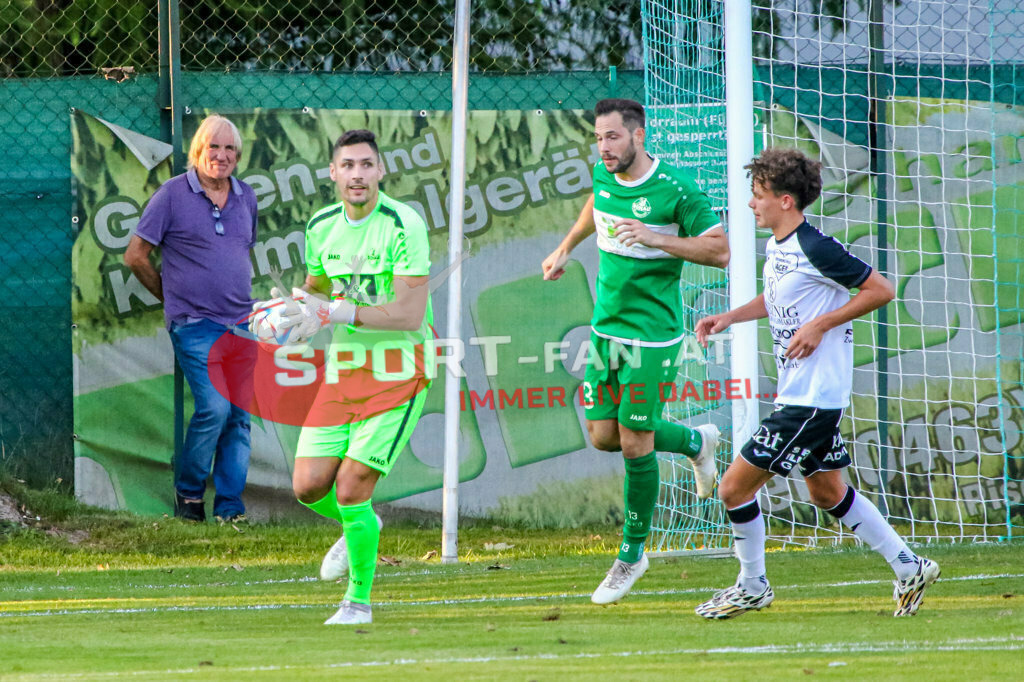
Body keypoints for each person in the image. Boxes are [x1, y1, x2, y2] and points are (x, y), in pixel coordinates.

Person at [693, 148, 939, 619]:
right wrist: (729, 316)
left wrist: (821, 325)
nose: (751, 204)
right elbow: (777, 299)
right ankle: (909, 567)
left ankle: (752, 586)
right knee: (827, 493)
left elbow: (881, 289)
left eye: (758, 195)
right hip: (804, 396)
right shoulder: (780, 247)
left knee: (732, 490)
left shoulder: (816, 246)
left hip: (810, 401)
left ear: (786, 200)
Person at [541, 98, 730, 605]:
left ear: (639, 136)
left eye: (613, 137)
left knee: (633, 442)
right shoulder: (605, 174)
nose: (604, 147)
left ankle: (632, 553)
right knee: (603, 436)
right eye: (598, 138)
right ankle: (696, 442)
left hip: (652, 335)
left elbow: (720, 250)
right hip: (605, 331)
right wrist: (566, 247)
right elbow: (596, 205)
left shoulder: (675, 189)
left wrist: (656, 238)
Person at [259, 129, 432, 626]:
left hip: (399, 372)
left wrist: (338, 313)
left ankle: (357, 602)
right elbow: (315, 289)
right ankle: (363, 527)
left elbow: (408, 315)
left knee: (353, 488)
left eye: (366, 165)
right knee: (309, 486)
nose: (357, 174)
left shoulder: (403, 223)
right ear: (333, 173)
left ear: (381, 171)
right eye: (347, 166)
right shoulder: (321, 226)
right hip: (344, 374)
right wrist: (293, 315)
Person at [125, 114, 259, 524]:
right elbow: (135, 256)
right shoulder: (171, 195)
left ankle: (230, 511)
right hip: (195, 325)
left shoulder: (246, 196)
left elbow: (239, 253)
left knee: (239, 417)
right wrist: (171, 298)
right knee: (215, 409)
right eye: (212, 147)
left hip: (242, 323)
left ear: (238, 155)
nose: (221, 156)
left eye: (229, 149)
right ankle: (189, 497)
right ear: (198, 151)